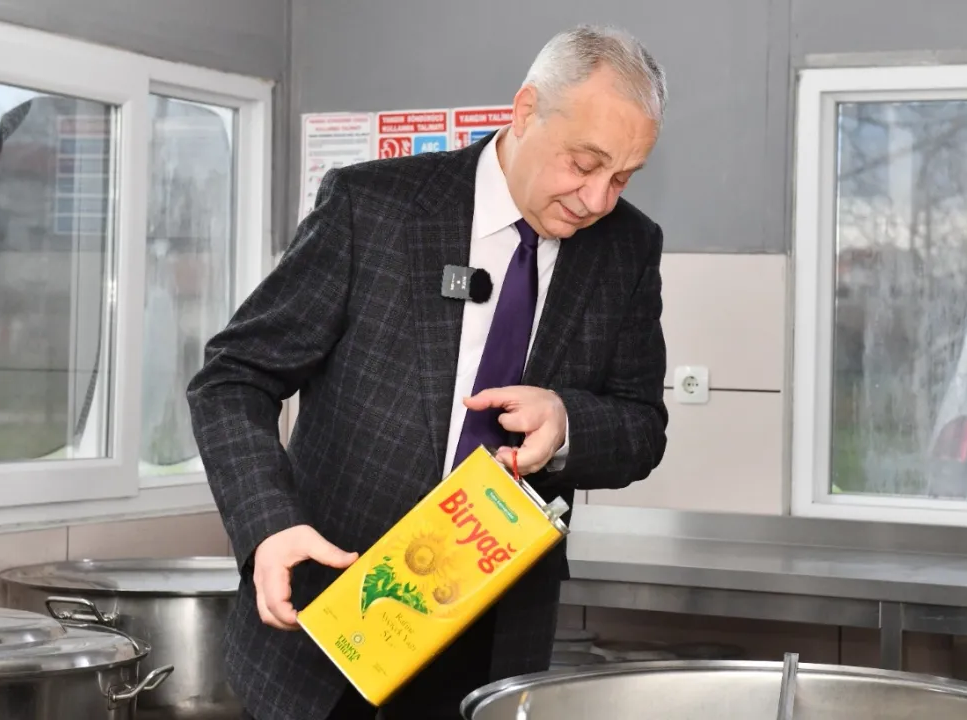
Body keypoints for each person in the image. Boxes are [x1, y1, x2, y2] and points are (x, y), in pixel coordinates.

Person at [187, 24, 669, 720]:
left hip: (491, 641)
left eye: (621, 177)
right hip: (328, 621)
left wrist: (568, 422)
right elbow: (232, 378)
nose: (597, 200)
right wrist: (268, 525)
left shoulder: (627, 248)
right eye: (584, 163)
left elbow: (641, 426)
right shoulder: (372, 207)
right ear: (525, 111)